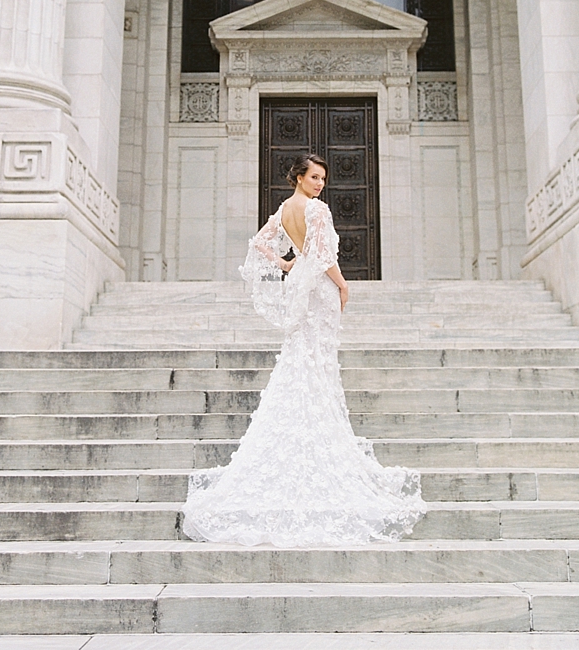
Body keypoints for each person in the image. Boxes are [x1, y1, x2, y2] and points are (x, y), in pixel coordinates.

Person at [181, 153, 425, 547]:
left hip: (302, 291)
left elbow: (261, 242)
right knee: (316, 362)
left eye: (323, 178)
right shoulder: (316, 210)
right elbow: (325, 257)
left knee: (305, 360)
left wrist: (287, 262)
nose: (321, 183)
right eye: (314, 177)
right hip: (322, 293)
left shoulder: (284, 209)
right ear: (298, 176)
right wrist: (343, 284)